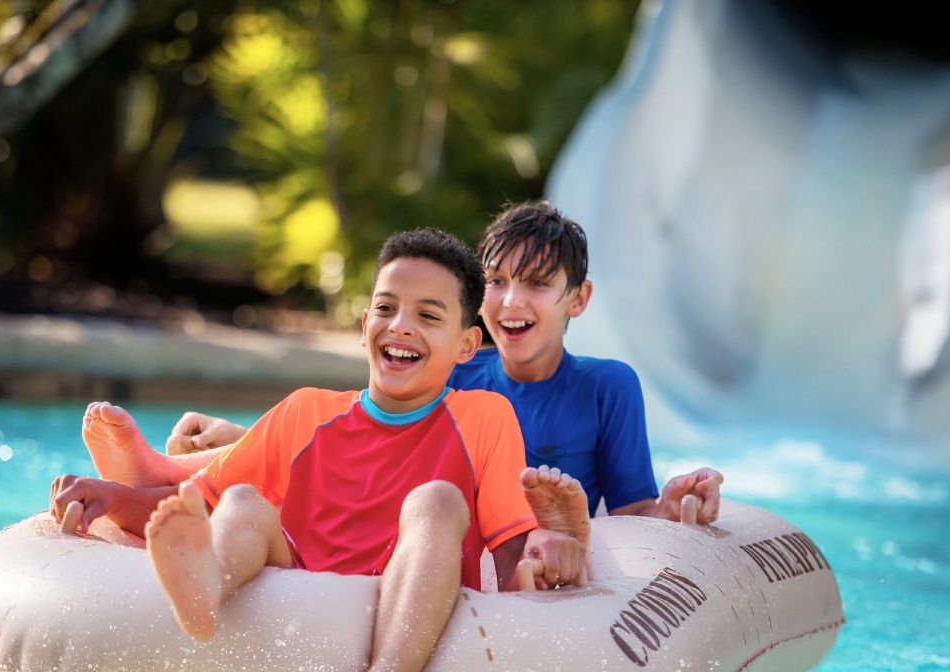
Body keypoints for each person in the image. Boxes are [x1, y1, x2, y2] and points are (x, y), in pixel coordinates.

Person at [49, 228, 591, 672]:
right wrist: (111, 498)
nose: (400, 326)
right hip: (302, 579)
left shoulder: (484, 418)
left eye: (428, 316)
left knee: (439, 501)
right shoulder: (304, 411)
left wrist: (549, 555)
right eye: (386, 308)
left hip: (413, 595)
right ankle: (205, 587)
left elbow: (509, 551)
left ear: (467, 346)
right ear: (364, 327)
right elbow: (189, 503)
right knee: (239, 500)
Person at [165, 201, 724, 524]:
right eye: (497, 282)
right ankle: (163, 476)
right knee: (239, 485)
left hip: (533, 546)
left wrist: (671, 507)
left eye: (536, 285)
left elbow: (631, 517)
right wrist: (239, 437)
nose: (510, 302)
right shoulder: (457, 372)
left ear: (578, 299)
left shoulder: (606, 387)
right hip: (438, 532)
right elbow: (356, 437)